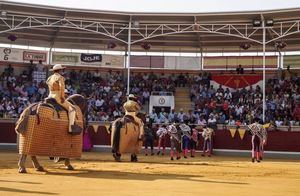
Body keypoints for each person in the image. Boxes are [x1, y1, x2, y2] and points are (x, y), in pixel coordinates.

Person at [46, 64, 81, 133]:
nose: (62, 71)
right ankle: (71, 128)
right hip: (57, 97)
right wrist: (62, 97)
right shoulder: (60, 77)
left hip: (50, 96)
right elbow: (62, 88)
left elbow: (48, 84)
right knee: (73, 108)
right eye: (61, 70)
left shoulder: (50, 78)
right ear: (60, 70)